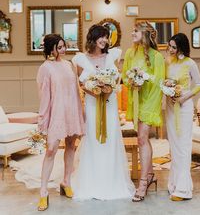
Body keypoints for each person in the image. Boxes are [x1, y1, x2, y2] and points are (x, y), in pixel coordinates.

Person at [71, 25, 135, 200]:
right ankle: (92, 183)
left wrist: (106, 90)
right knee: (93, 140)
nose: (105, 40)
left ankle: (112, 182)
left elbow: (116, 81)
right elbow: (81, 85)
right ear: (93, 37)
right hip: (92, 106)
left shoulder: (113, 55)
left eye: (107, 37)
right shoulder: (80, 59)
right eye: (102, 36)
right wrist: (95, 91)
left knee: (110, 140)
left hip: (110, 105)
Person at [37, 34, 85, 211]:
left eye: (64, 46)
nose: (64, 49)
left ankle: (66, 181)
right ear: (51, 48)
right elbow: (44, 97)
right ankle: (43, 192)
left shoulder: (68, 65)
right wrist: (42, 120)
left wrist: (81, 111)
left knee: (71, 145)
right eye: (60, 47)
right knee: (51, 150)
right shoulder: (45, 68)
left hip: (72, 111)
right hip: (56, 113)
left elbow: (76, 90)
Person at [122, 21, 165, 202]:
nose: (132, 33)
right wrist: (131, 80)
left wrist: (144, 79)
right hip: (136, 100)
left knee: (141, 138)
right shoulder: (130, 53)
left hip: (150, 100)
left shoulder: (157, 56)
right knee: (143, 139)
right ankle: (150, 175)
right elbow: (124, 75)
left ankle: (142, 182)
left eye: (136, 31)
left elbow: (159, 82)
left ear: (145, 34)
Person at [165, 33, 200, 201]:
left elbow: (199, 85)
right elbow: (166, 81)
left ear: (181, 47)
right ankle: (173, 184)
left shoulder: (190, 63)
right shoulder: (168, 62)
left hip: (185, 107)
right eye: (169, 46)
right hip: (171, 107)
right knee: (174, 147)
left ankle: (183, 190)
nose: (170, 49)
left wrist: (183, 97)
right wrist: (167, 88)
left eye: (174, 47)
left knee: (183, 147)